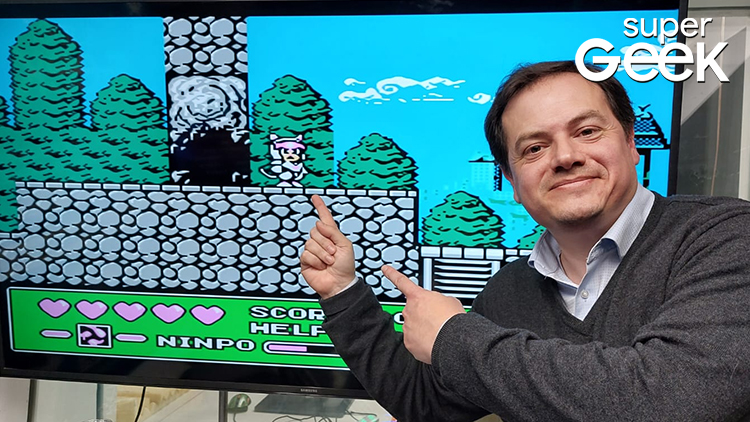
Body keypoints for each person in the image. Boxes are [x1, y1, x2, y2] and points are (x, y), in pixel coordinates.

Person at [299, 61, 750, 421]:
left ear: (632, 143)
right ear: (513, 182)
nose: (566, 157)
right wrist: (342, 292)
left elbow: (672, 400)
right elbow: (427, 403)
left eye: (587, 131)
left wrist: (452, 337)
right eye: (534, 148)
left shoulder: (725, 236)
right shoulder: (510, 291)